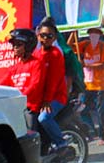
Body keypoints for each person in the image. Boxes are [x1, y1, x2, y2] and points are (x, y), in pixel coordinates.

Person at [33, 19, 69, 149]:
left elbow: (52, 81)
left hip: (56, 97)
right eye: (43, 35)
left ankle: (61, 142)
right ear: (38, 36)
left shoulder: (56, 54)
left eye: (49, 36)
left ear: (54, 38)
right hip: (40, 98)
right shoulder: (36, 54)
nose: (45, 38)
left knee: (44, 118)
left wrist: (47, 100)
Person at [1, 28, 46, 130]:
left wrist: (19, 97)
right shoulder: (14, 67)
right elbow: (2, 84)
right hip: (16, 106)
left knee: (29, 134)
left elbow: (34, 85)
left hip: (30, 108)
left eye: (18, 45)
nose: (15, 48)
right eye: (14, 45)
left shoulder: (36, 63)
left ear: (28, 46)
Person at [77, 27, 104, 145]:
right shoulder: (85, 45)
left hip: (101, 86)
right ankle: (91, 131)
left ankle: (102, 137)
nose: (93, 35)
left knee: (101, 112)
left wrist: (86, 64)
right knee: (81, 109)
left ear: (100, 34)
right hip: (87, 85)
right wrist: (72, 31)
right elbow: (69, 46)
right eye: (91, 33)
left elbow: (103, 64)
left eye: (96, 33)